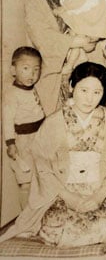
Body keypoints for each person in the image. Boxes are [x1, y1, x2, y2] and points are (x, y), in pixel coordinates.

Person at [0, 62, 106, 247]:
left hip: (98, 192)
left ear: (104, 93)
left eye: (97, 92)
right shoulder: (53, 123)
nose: (90, 98)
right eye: (84, 90)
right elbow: (43, 168)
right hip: (61, 192)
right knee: (55, 228)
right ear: (72, 87)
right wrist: (69, 196)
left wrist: (98, 197)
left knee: (104, 227)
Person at [26, 0, 99, 115]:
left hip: (82, 66)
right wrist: (77, 41)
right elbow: (43, 37)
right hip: (54, 71)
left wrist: (92, 39)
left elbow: (95, 19)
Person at [2, 47, 45, 209]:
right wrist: (10, 143)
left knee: (39, 180)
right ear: (13, 70)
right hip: (23, 142)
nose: (31, 74)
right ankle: (25, 220)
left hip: (38, 139)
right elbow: (7, 120)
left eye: (36, 69)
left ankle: (35, 217)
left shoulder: (31, 89)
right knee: (25, 183)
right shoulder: (12, 94)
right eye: (25, 68)